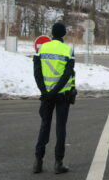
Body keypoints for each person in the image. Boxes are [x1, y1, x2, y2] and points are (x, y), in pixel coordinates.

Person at [32, 22, 77, 174]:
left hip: (46, 96)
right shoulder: (68, 50)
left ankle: (38, 162)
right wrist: (55, 91)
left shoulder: (41, 49)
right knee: (60, 129)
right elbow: (67, 75)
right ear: (63, 34)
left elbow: (37, 72)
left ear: (52, 33)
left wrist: (44, 92)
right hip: (62, 95)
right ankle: (58, 163)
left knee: (44, 126)